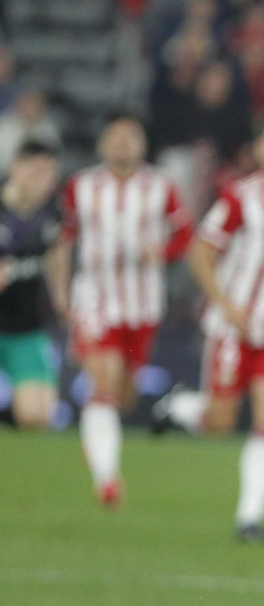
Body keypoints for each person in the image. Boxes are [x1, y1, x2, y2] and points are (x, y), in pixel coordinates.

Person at [150, 118, 264, 542]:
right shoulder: (240, 197)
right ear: (260, 149)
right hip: (233, 327)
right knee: (219, 422)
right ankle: (178, 408)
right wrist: (228, 307)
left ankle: (250, 517)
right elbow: (200, 252)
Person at [59, 116, 193, 507]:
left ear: (142, 144)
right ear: (102, 144)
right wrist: (63, 296)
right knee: (102, 383)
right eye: (115, 136)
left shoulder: (161, 186)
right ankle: (107, 480)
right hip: (95, 299)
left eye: (130, 136)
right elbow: (64, 240)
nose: (122, 143)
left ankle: (98, 439)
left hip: (142, 304)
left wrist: (161, 251)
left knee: (124, 395)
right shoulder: (81, 186)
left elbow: (184, 234)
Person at [0, 141, 66, 429]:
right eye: (36, 171)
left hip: (25, 328)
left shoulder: (51, 212)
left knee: (37, 417)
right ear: (15, 167)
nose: (44, 180)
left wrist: (62, 298)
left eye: (50, 173)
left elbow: (58, 253)